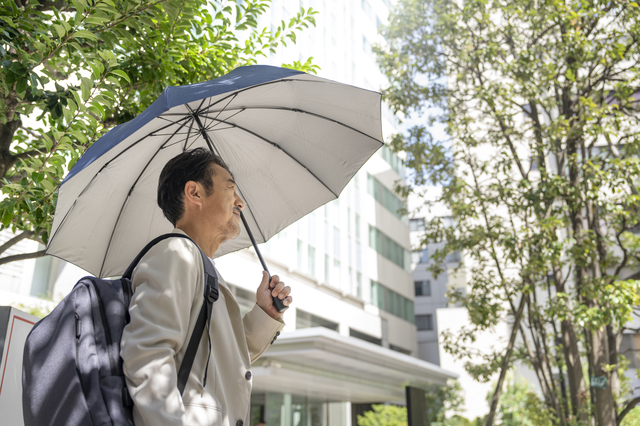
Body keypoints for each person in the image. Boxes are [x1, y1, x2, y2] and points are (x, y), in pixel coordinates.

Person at [121, 148, 292, 425]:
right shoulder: (175, 254)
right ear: (195, 193)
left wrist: (265, 314)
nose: (241, 202)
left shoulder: (200, 265)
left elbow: (221, 362)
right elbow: (147, 357)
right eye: (230, 189)